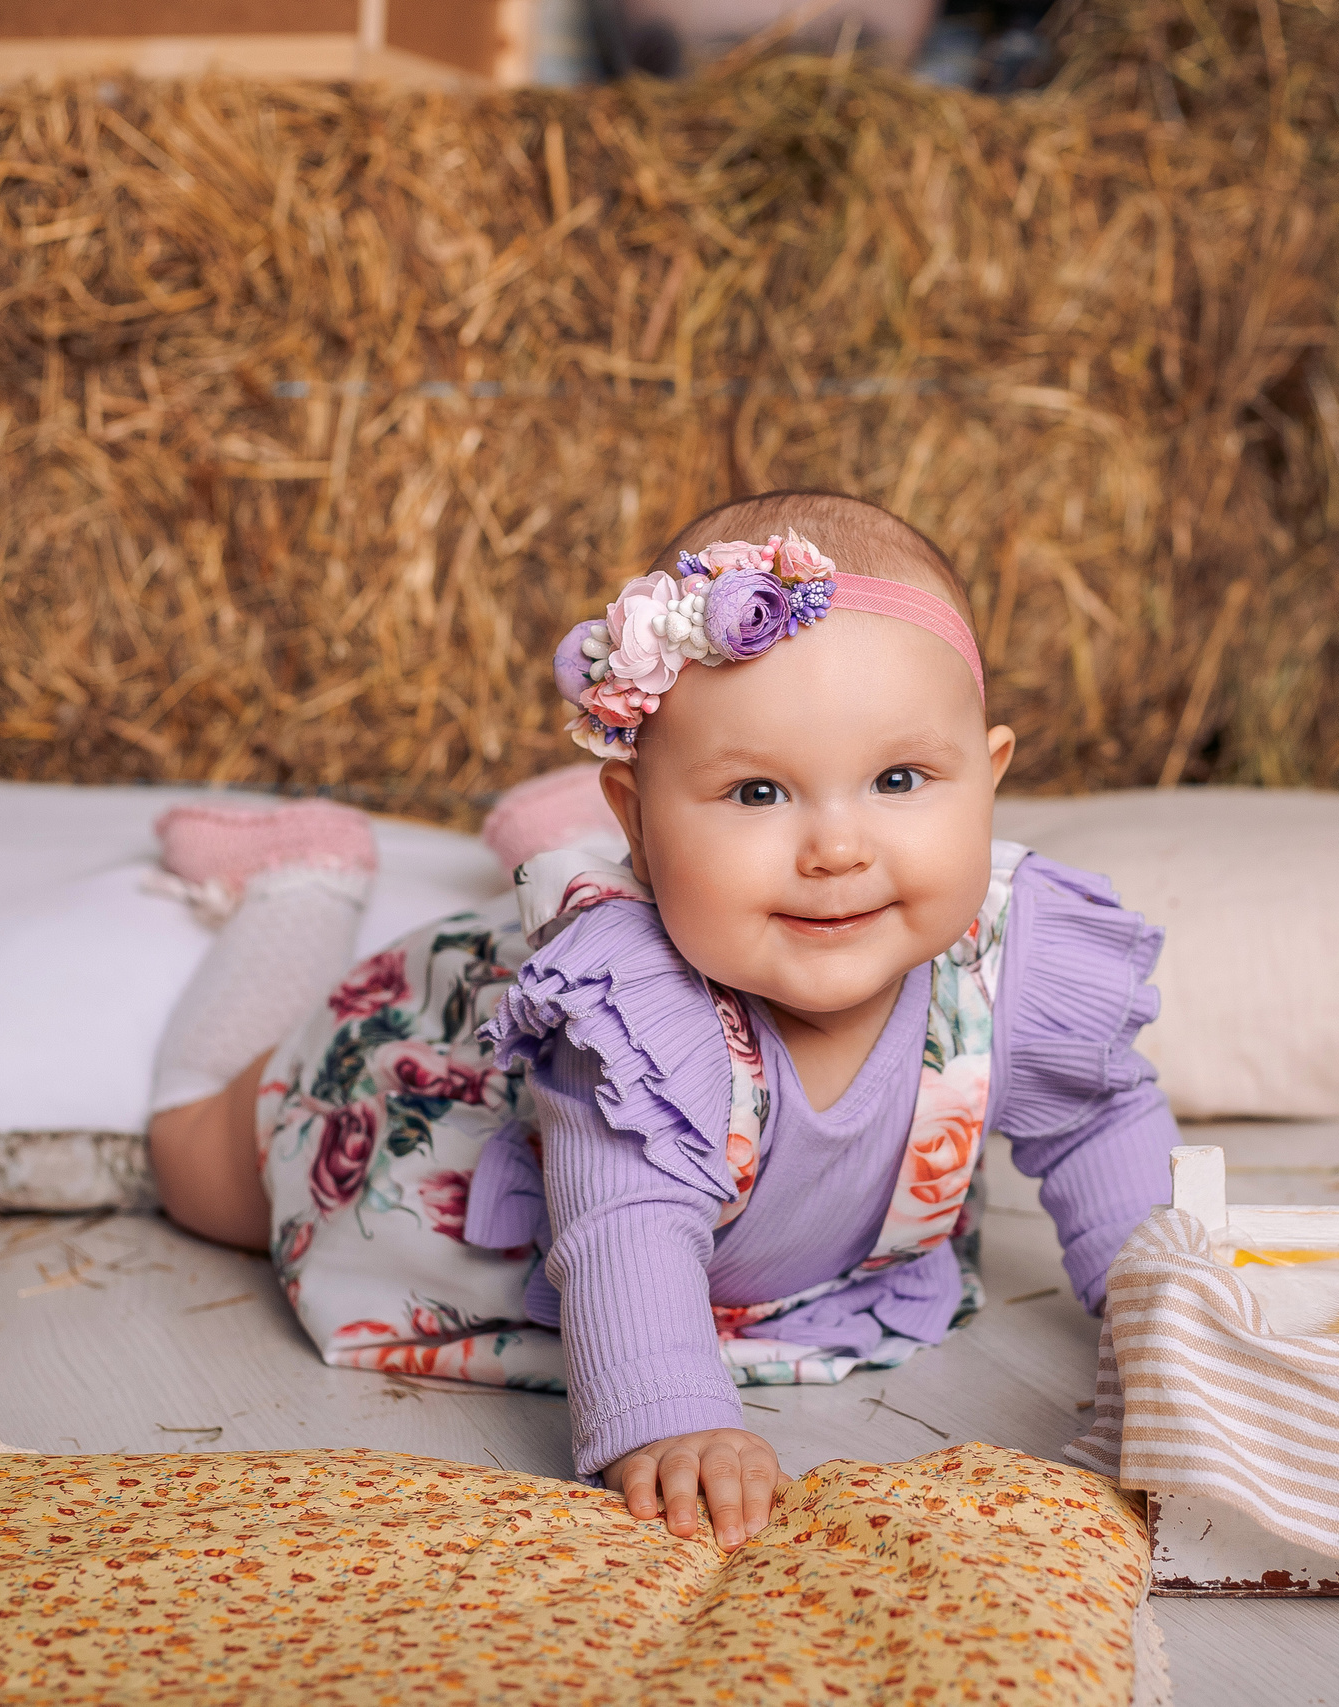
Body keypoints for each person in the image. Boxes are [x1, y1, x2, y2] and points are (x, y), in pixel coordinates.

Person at [143, 489, 1178, 1554]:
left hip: (761, 1191)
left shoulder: (1014, 953)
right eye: (758, 793)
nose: (837, 850)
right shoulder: (635, 1018)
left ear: (989, 781)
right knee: (190, 1161)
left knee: (718, 884)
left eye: (899, 779)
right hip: (421, 1076)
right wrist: (674, 1416)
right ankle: (301, 880)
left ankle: (572, 836)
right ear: (636, 821)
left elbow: (1098, 1121)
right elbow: (624, 1226)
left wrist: (1167, 1311)